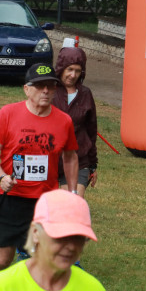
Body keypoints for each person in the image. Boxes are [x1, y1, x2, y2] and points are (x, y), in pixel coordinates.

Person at [0, 60, 78, 276]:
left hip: (45, 201)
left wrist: (72, 193)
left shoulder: (64, 121)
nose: (46, 90)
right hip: (12, 197)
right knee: (1, 259)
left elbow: (71, 157)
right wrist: (1, 177)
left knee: (42, 258)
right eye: (39, 85)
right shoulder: (8, 114)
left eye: (51, 85)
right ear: (26, 89)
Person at [52, 46, 98, 197]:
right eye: (70, 69)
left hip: (78, 159)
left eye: (78, 71)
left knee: (71, 203)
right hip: (49, 159)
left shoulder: (86, 94)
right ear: (61, 68)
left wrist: (93, 165)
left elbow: (91, 131)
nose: (73, 75)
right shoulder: (48, 91)